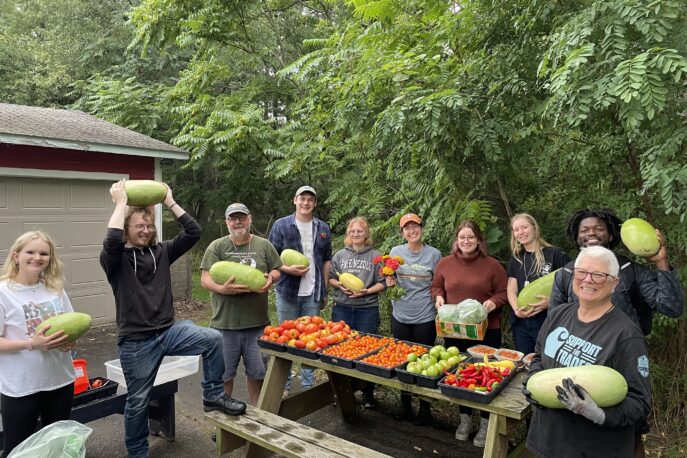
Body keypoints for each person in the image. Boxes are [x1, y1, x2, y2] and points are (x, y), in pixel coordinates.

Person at [101, 180, 245, 458]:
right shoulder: (115, 260)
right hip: (136, 342)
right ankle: (137, 452)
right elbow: (110, 239)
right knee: (138, 401)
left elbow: (194, 232)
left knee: (213, 339)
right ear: (127, 230)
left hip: (168, 332)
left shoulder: (162, 251)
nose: (146, 230)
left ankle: (213, 396)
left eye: (149, 225)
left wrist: (169, 200)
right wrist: (121, 204)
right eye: (139, 226)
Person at [548, 208, 684, 457]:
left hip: (623, 366)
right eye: (584, 230)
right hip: (576, 365)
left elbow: (672, 306)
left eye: (599, 228)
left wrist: (661, 262)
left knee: (629, 435)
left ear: (611, 234)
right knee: (579, 431)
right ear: (576, 236)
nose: (591, 233)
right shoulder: (567, 273)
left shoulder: (632, 270)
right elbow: (554, 324)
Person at [524, 246, 652, 457]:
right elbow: (538, 356)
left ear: (615, 282)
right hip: (548, 442)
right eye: (581, 272)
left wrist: (600, 415)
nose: (588, 280)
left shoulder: (627, 335)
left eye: (599, 275)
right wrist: (533, 382)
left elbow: (640, 403)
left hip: (594, 449)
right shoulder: (558, 315)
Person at [431, 220, 508, 447]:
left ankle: (485, 423)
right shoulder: (445, 264)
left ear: (479, 241)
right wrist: (438, 297)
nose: (466, 241)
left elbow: (504, 292)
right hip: (455, 330)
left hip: (486, 331)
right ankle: (465, 419)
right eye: (462, 237)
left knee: (486, 374)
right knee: (460, 374)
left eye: (471, 237)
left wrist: (494, 302)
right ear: (457, 240)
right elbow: (436, 286)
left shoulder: (492, 265)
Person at [0, 231, 75, 458]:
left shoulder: (54, 289)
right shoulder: (3, 292)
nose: (37, 257)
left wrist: (69, 342)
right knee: (18, 450)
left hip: (60, 380)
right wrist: (31, 343)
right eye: (30, 252)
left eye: (44, 253)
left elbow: (71, 325)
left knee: (56, 447)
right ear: (16, 255)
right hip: (21, 386)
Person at [200, 203, 282, 406]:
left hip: (257, 324)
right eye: (233, 218)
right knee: (224, 375)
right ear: (227, 222)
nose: (238, 222)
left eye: (242, 217)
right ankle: (223, 419)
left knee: (257, 374)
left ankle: (257, 416)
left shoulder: (263, 245)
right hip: (224, 325)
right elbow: (205, 278)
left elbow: (277, 270)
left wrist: (271, 277)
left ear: (250, 219)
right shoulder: (217, 246)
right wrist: (221, 289)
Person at [268, 185, 332, 396]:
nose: (306, 203)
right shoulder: (281, 225)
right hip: (287, 291)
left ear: (314, 204)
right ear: (295, 200)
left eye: (310, 200)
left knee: (311, 340)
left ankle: (307, 385)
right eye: (302, 199)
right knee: (285, 339)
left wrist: (324, 290)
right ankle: (283, 386)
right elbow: (270, 257)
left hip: (313, 293)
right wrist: (286, 269)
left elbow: (326, 261)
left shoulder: (322, 227)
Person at [386, 213, 442, 425]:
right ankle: (405, 404)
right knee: (402, 361)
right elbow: (389, 274)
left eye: (415, 227)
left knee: (426, 362)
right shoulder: (395, 252)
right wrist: (389, 280)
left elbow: (439, 283)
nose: (412, 231)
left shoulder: (434, 254)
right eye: (407, 228)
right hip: (400, 314)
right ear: (402, 233)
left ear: (422, 229)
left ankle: (425, 408)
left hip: (425, 315)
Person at [329, 216, 385, 408]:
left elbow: (382, 282)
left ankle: (368, 393)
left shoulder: (376, 256)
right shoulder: (339, 256)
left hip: (367, 309)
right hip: (342, 308)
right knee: (340, 350)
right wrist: (340, 285)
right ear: (348, 235)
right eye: (352, 231)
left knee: (369, 351)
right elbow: (331, 278)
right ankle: (343, 393)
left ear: (366, 233)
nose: (355, 234)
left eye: (359, 231)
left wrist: (367, 291)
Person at [506, 213, 570, 355]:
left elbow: (571, 289)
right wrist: (517, 310)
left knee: (548, 362)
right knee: (524, 363)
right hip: (521, 324)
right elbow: (511, 289)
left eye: (524, 227)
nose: (521, 232)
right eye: (516, 229)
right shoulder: (516, 258)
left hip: (549, 322)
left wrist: (551, 302)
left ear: (534, 228)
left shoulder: (556, 254)